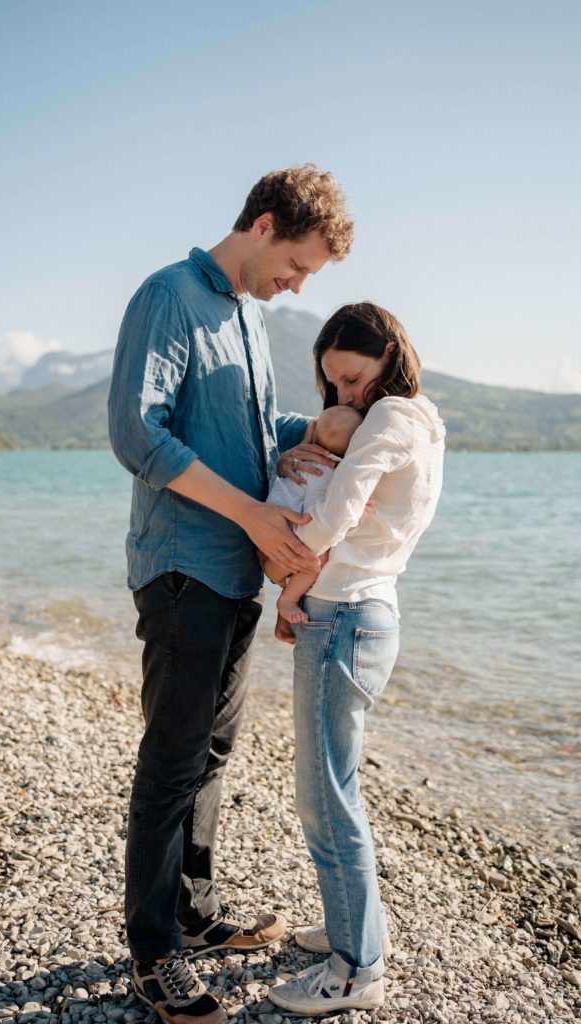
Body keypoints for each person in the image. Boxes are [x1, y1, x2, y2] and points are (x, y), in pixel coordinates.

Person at [107, 165, 353, 1024]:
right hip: (181, 567)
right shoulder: (169, 295)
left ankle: (193, 913)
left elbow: (246, 433)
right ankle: (152, 955)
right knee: (172, 761)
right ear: (260, 224)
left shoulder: (249, 316)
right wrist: (254, 513)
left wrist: (307, 431)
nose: (297, 285)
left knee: (211, 754)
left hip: (239, 567)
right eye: (297, 265)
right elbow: (138, 432)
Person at [267, 301, 445, 1015]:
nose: (343, 396)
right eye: (332, 384)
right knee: (333, 788)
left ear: (387, 359)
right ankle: (351, 930)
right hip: (360, 613)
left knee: (325, 796)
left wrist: (287, 573)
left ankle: (356, 970)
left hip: (342, 617)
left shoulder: (389, 418)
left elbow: (340, 510)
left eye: (352, 378)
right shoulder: (420, 419)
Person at [260, 405, 363, 631]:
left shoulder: (298, 461)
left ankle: (287, 592)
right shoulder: (330, 475)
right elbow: (319, 516)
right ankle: (287, 600)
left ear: (313, 433)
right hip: (284, 532)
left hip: (265, 526)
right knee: (318, 559)